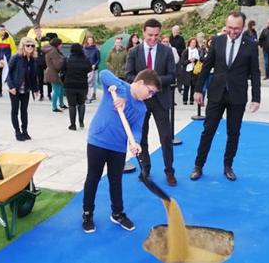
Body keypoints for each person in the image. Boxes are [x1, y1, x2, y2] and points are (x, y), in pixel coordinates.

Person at [82, 68, 161, 233]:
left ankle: (117, 213)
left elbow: (137, 130)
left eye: (153, 94)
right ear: (140, 83)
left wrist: (136, 142)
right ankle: (87, 213)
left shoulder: (142, 108)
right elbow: (103, 73)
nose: (150, 96)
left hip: (118, 146)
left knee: (115, 180)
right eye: (150, 91)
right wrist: (123, 94)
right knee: (93, 177)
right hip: (98, 140)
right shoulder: (117, 88)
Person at [190, 11, 261, 182]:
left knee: (233, 133)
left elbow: (255, 73)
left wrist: (256, 97)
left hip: (237, 96)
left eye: (236, 28)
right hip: (216, 93)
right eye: (230, 27)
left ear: (243, 27)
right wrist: (199, 89)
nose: (232, 31)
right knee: (208, 131)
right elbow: (207, 66)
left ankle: (228, 166)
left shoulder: (251, 45)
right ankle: (198, 166)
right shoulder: (217, 41)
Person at [126, 18, 177, 186]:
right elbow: (129, 75)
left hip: (161, 101)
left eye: (156, 35)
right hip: (141, 102)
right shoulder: (134, 52)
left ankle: (169, 171)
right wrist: (144, 87)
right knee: (142, 137)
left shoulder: (166, 51)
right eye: (150, 35)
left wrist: (153, 84)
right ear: (143, 32)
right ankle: (145, 169)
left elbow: (172, 75)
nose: (153, 38)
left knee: (166, 137)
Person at [7, 37, 38, 141]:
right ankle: (17, 132)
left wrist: (36, 89)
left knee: (24, 111)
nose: (30, 47)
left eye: (32, 45)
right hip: (15, 89)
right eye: (28, 45)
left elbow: (33, 76)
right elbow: (8, 72)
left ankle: (25, 131)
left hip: (26, 89)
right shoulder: (16, 57)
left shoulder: (32, 59)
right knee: (15, 111)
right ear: (23, 46)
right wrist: (11, 86)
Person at [62, 43, 92, 130]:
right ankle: (81, 122)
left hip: (70, 85)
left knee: (72, 105)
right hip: (82, 85)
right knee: (81, 103)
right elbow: (89, 69)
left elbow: (62, 69)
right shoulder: (86, 60)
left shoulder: (67, 59)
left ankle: (73, 124)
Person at [43, 37, 67, 112]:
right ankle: (54, 107)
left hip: (53, 72)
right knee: (57, 90)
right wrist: (64, 61)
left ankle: (61, 104)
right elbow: (57, 65)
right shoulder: (53, 52)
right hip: (53, 73)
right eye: (60, 44)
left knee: (61, 89)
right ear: (57, 44)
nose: (61, 46)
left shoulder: (52, 50)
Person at [180, 37, 202, 105]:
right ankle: (185, 100)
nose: (193, 44)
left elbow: (200, 60)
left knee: (193, 85)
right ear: (189, 43)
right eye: (192, 43)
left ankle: (192, 100)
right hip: (187, 70)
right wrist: (189, 60)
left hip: (195, 70)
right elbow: (182, 62)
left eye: (194, 43)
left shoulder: (198, 51)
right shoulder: (186, 51)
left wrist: (195, 60)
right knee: (186, 86)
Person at [32, 27, 52, 101]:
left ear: (41, 31)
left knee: (48, 78)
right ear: (34, 32)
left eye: (38, 31)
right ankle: (41, 94)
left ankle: (49, 94)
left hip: (46, 62)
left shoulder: (47, 39)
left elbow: (50, 50)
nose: (37, 32)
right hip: (38, 62)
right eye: (36, 31)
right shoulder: (33, 41)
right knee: (40, 79)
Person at [83, 36, 101, 103]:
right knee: (86, 82)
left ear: (93, 41)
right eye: (89, 40)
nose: (90, 41)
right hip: (86, 69)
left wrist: (95, 65)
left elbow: (98, 59)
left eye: (91, 40)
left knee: (94, 82)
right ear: (87, 41)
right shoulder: (84, 49)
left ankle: (93, 94)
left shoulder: (96, 50)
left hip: (94, 69)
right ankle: (86, 95)